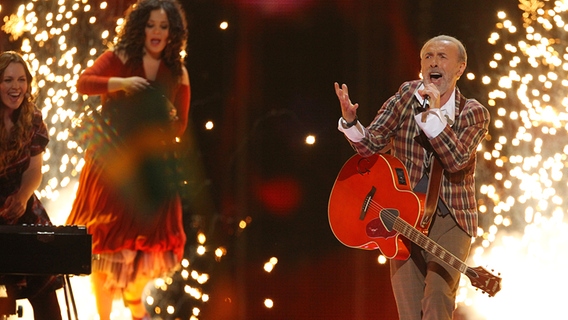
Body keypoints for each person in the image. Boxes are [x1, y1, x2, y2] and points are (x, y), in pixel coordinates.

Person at [334, 35, 490, 320]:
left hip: (451, 218)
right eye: (428, 56)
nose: (434, 61)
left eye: (442, 56)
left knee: (437, 298)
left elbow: (455, 161)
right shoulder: (407, 96)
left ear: (460, 68)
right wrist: (350, 123)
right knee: (409, 311)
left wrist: (431, 116)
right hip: (402, 216)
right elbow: (371, 145)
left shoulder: (473, 113)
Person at [65, 0, 190, 319]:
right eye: (151, 25)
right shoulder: (120, 57)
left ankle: (136, 309)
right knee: (105, 248)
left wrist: (168, 117)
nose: (157, 32)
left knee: (144, 253)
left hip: (153, 168)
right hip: (114, 166)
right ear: (140, 28)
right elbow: (84, 83)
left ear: (173, 32)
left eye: (164, 26)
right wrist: (120, 83)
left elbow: (180, 127)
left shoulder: (177, 70)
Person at [0, 51, 63, 319]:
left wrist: (23, 196)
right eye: (7, 80)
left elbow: (34, 170)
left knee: (45, 291)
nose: (16, 87)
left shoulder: (33, 117)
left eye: (21, 80)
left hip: (21, 203)